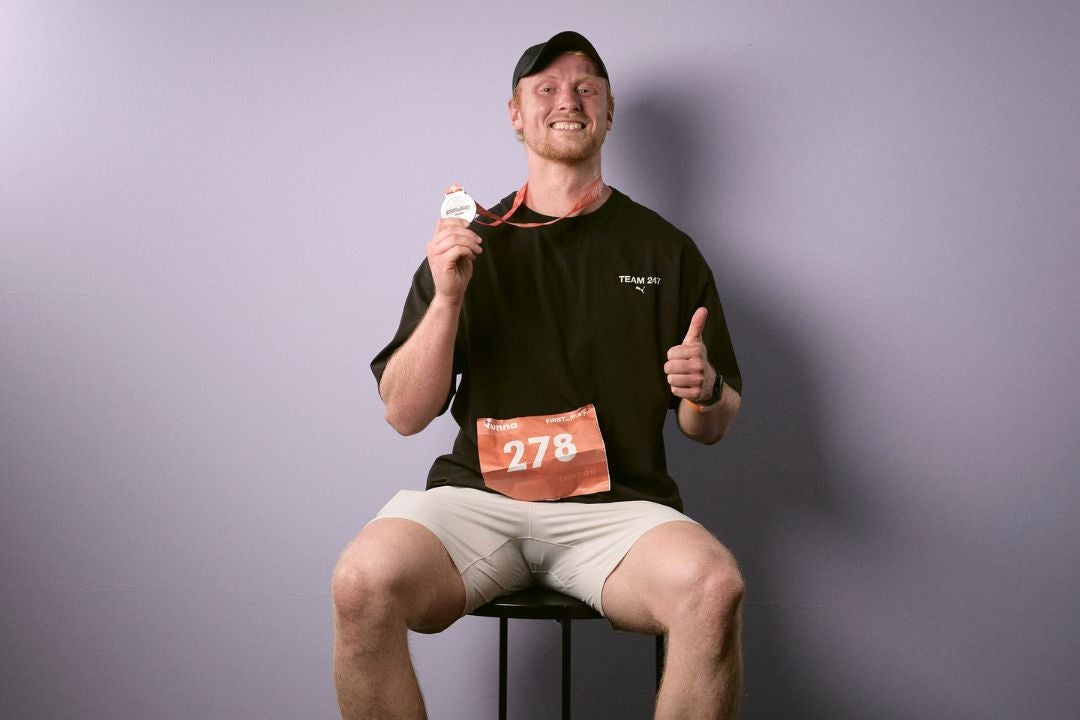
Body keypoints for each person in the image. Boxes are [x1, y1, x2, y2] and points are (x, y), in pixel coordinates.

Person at [332, 31, 745, 719]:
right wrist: (448, 298)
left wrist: (704, 390)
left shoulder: (665, 250)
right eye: (546, 88)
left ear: (607, 112)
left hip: (617, 511)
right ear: (516, 115)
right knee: (360, 583)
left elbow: (712, 424)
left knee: (714, 588)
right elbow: (404, 413)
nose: (568, 100)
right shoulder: (469, 244)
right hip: (480, 500)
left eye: (586, 88)